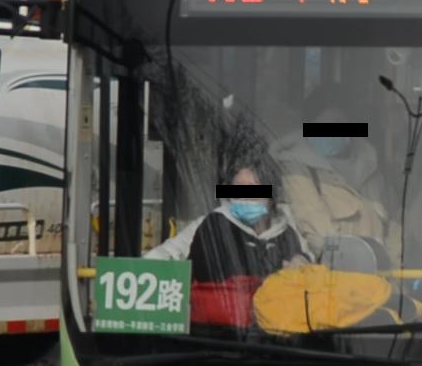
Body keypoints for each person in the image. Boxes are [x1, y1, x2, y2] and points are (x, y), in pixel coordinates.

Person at [271, 92, 397, 262]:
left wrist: (394, 265)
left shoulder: (370, 167)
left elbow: (395, 225)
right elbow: (315, 229)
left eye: (339, 122)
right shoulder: (298, 168)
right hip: (337, 277)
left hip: (381, 278)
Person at [146, 163, 309, 281]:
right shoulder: (213, 225)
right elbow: (166, 254)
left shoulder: (286, 231)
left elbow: (308, 262)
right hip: (221, 323)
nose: (244, 196)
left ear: (272, 197)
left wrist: (301, 262)